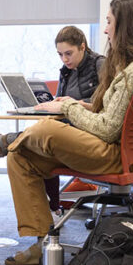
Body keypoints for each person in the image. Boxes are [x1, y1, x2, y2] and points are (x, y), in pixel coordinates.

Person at [0, 0, 133, 265]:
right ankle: (42, 242)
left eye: (109, 22)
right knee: (20, 157)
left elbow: (109, 129)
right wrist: (77, 105)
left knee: (46, 129)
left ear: (127, 26)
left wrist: (70, 109)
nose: (106, 28)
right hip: (129, 151)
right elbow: (114, 117)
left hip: (117, 154)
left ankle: (13, 140)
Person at [43, 26, 105, 213]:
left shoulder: (100, 64)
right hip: (71, 126)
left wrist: (76, 103)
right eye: (60, 54)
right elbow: (62, 101)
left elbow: (109, 103)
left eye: (68, 53)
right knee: (40, 145)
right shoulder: (66, 71)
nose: (64, 59)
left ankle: (54, 206)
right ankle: (54, 209)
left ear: (82, 47)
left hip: (93, 131)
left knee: (45, 145)